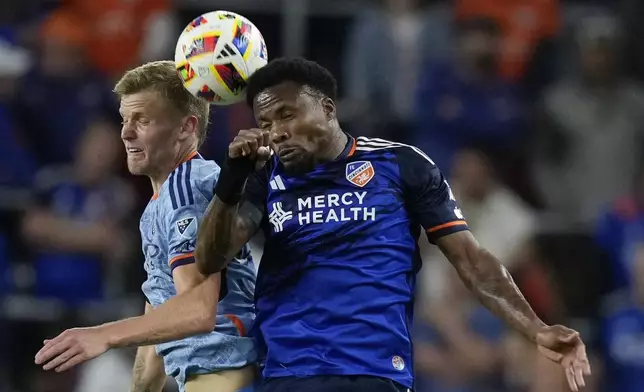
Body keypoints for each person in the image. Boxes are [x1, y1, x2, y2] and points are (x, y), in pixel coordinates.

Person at [35, 58, 590, 392]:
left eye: (287, 114)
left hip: (374, 369)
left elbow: (474, 263)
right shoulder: (264, 178)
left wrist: (536, 328)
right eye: (265, 121)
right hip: (286, 373)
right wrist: (232, 180)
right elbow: (209, 259)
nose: (276, 131)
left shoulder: (401, 165)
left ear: (326, 107)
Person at [36, 61, 258, 392]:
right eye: (125, 119)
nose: (126, 132)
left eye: (143, 120)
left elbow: (198, 311)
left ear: (186, 127)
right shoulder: (158, 204)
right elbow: (159, 318)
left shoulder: (190, 191)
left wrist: (103, 334)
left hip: (234, 372)